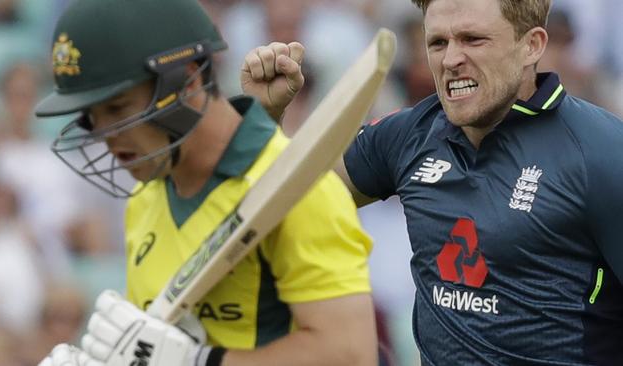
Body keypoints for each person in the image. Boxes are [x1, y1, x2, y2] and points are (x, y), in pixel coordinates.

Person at [243, 0, 623, 364]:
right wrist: (263, 116)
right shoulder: (409, 134)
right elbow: (280, 203)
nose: (451, 60)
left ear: (532, 45)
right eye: (438, 42)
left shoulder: (601, 151)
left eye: (473, 39)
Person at [35, 0, 378, 365]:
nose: (105, 136)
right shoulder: (144, 198)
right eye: (92, 117)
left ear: (187, 79)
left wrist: (198, 361)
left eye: (117, 108)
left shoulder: (299, 189)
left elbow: (350, 354)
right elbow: (153, 348)